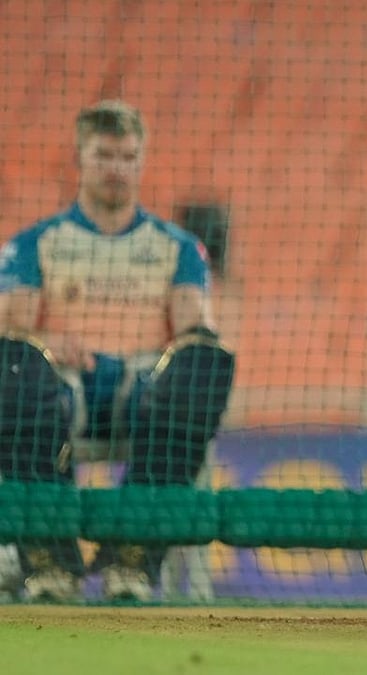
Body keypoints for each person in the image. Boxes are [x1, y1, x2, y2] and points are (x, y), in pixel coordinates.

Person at [0, 100, 234, 603]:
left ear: (141, 162)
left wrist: (195, 341)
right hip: (59, 387)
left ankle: (133, 558)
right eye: (104, 155)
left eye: (128, 157)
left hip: (144, 389)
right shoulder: (38, 242)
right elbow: (12, 322)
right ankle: (47, 561)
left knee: (204, 366)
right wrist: (48, 342)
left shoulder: (176, 246)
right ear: (80, 159)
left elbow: (194, 322)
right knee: (11, 362)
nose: (116, 169)